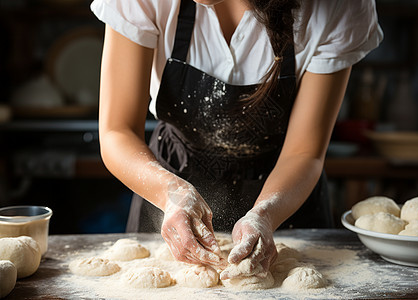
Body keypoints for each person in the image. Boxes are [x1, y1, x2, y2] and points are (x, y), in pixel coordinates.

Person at [91, 0, 382, 277]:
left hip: (286, 200)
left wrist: (265, 215)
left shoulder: (337, 7)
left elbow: (304, 152)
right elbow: (118, 131)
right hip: (169, 183)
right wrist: (170, 194)